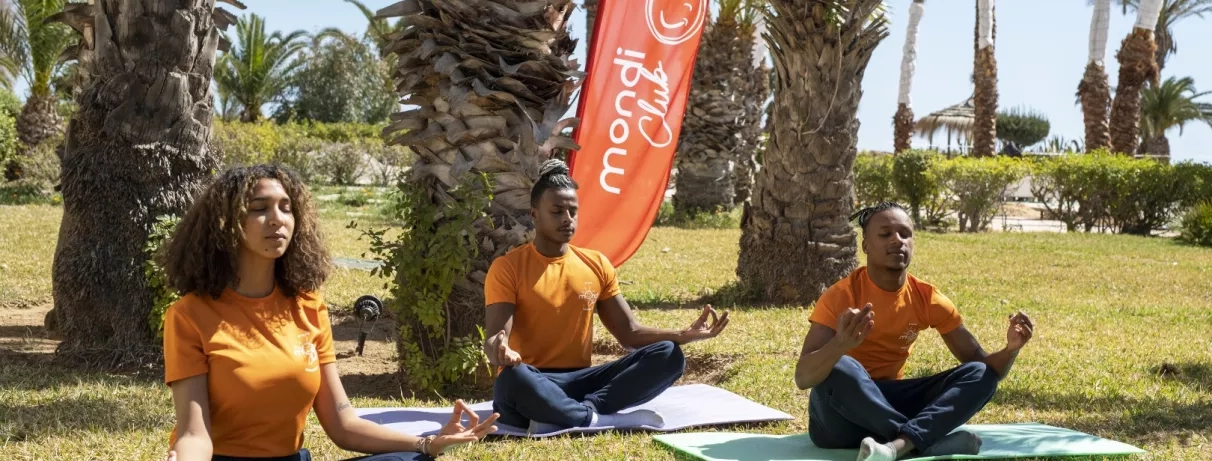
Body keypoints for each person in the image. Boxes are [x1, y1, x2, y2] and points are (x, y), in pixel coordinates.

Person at [160, 165, 498, 461]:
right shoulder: (190, 315)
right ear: (226, 224)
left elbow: (342, 424)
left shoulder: (308, 306)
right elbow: (194, 435)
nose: (277, 219)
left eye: (286, 208)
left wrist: (427, 443)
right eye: (259, 208)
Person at [482, 159, 731, 434]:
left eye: (573, 211)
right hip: (534, 379)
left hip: (584, 382)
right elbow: (494, 338)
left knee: (669, 354)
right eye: (557, 211)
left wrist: (682, 335)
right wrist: (500, 350)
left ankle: (576, 414)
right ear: (534, 214)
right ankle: (595, 419)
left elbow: (629, 333)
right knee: (512, 379)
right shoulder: (508, 267)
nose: (567, 219)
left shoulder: (596, 264)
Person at [793, 202, 1036, 461]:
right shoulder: (840, 296)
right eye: (885, 234)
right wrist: (840, 344)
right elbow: (803, 378)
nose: (897, 240)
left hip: (890, 402)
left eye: (905, 234)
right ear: (865, 246)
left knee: (981, 373)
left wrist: (1011, 350)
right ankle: (922, 442)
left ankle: (897, 445)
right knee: (840, 367)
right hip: (838, 422)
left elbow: (987, 370)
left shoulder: (926, 297)